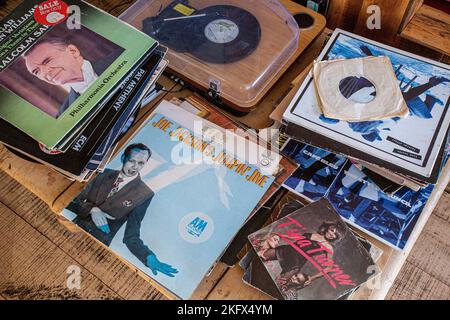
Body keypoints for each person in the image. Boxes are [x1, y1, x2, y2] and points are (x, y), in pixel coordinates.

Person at [67, 143, 178, 278]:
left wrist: (147, 256)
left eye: (141, 163)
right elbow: (73, 200)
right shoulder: (103, 173)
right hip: (69, 229)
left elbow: (131, 236)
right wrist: (92, 209)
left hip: (94, 248)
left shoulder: (145, 194)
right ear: (123, 158)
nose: (135, 167)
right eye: (132, 161)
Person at [23, 36, 122, 116]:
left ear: (73, 51)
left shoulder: (121, 56)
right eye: (37, 72)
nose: (44, 73)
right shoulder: (63, 115)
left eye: (47, 61)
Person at [260, 221, 345, 289]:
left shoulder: (329, 248)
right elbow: (296, 238)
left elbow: (329, 268)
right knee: (260, 256)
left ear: (336, 238)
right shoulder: (314, 234)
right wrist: (280, 235)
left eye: (335, 235)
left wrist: (312, 278)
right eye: (332, 230)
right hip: (287, 250)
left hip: (295, 263)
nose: (332, 234)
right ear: (328, 228)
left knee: (277, 285)